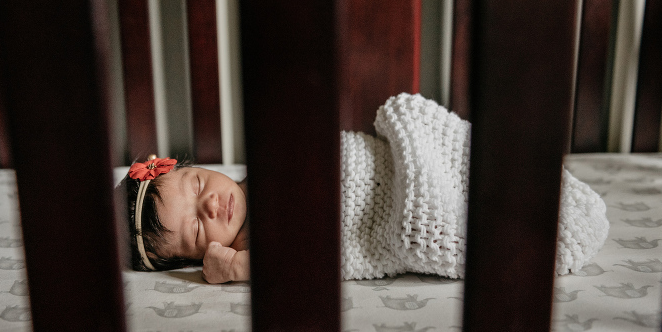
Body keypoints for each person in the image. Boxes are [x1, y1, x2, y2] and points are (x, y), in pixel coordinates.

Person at [117, 93, 609, 284]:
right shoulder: (251, 245)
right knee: (432, 226)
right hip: (392, 219)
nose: (210, 205)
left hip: (404, 163)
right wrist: (229, 268)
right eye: (199, 230)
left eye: (199, 183)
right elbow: (302, 262)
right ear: (205, 253)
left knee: (426, 131)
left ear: (199, 167)